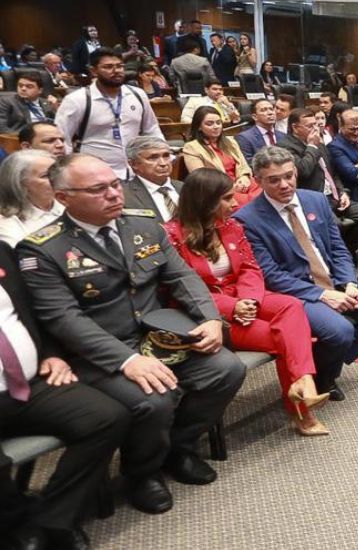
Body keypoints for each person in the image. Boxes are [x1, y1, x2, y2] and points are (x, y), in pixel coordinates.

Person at [18, 153, 247, 516]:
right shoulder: (43, 248)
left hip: (158, 336)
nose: (113, 194)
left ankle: (178, 448)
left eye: (114, 184)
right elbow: (64, 318)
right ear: (64, 197)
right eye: (98, 189)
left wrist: (210, 318)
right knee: (153, 399)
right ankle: (142, 473)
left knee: (226, 369)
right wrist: (128, 360)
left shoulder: (143, 224)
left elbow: (181, 276)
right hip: (99, 351)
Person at [163, 168, 331, 436]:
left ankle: (304, 385)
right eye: (228, 198)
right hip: (209, 315)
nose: (235, 203)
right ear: (206, 201)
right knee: (288, 338)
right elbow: (182, 291)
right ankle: (302, 408)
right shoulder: (171, 236)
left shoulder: (231, 226)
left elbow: (251, 269)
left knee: (291, 306)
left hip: (243, 296)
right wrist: (232, 308)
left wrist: (248, 300)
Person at [235, 146, 358, 399]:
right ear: (258, 181)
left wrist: (349, 283)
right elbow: (270, 275)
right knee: (340, 331)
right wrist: (322, 295)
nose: (284, 184)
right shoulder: (247, 219)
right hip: (298, 293)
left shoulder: (314, 199)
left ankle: (314, 366)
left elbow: (338, 248)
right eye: (274, 180)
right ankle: (325, 377)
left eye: (289, 176)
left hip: (335, 281)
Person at [0, 238, 129, 550]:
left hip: (30, 383)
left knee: (107, 418)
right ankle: (14, 524)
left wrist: (50, 352)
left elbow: (31, 312)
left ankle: (53, 517)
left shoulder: (2, 251)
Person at [53, 48, 162, 178]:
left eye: (120, 66)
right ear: (93, 70)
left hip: (135, 172)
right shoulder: (76, 100)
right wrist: (67, 173)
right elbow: (63, 139)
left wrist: (163, 153)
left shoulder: (137, 94)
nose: (116, 71)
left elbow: (151, 129)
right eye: (108, 67)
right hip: (93, 174)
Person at [276, 107, 358, 247]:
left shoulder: (318, 143)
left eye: (315, 124)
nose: (315, 129)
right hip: (314, 198)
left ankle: (347, 252)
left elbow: (332, 172)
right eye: (310, 126)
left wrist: (343, 192)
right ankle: (337, 256)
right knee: (336, 226)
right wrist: (311, 146)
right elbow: (303, 171)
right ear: (295, 128)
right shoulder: (285, 147)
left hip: (334, 196)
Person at [181, 106, 259, 206]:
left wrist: (244, 177)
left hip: (242, 184)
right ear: (199, 127)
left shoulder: (231, 142)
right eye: (210, 124)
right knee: (250, 203)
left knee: (266, 192)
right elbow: (201, 179)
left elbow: (243, 165)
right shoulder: (192, 147)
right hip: (219, 190)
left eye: (218, 122)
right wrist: (230, 187)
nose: (216, 126)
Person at [0, 150, 63, 245]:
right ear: (20, 183)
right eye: (46, 175)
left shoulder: (72, 203)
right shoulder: (6, 223)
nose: (58, 179)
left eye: (58, 173)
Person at [122, 136, 184, 223]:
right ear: (133, 164)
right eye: (153, 158)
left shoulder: (187, 188)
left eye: (166, 156)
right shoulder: (124, 196)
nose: (163, 163)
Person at [327, 109, 358, 197]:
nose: (356, 132)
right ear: (341, 126)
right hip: (356, 192)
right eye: (352, 129)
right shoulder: (335, 146)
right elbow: (352, 173)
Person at [236, 98, 285, 164]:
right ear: (255, 117)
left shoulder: (283, 136)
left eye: (271, 109)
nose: (270, 113)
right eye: (263, 110)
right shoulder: (245, 138)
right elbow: (249, 163)